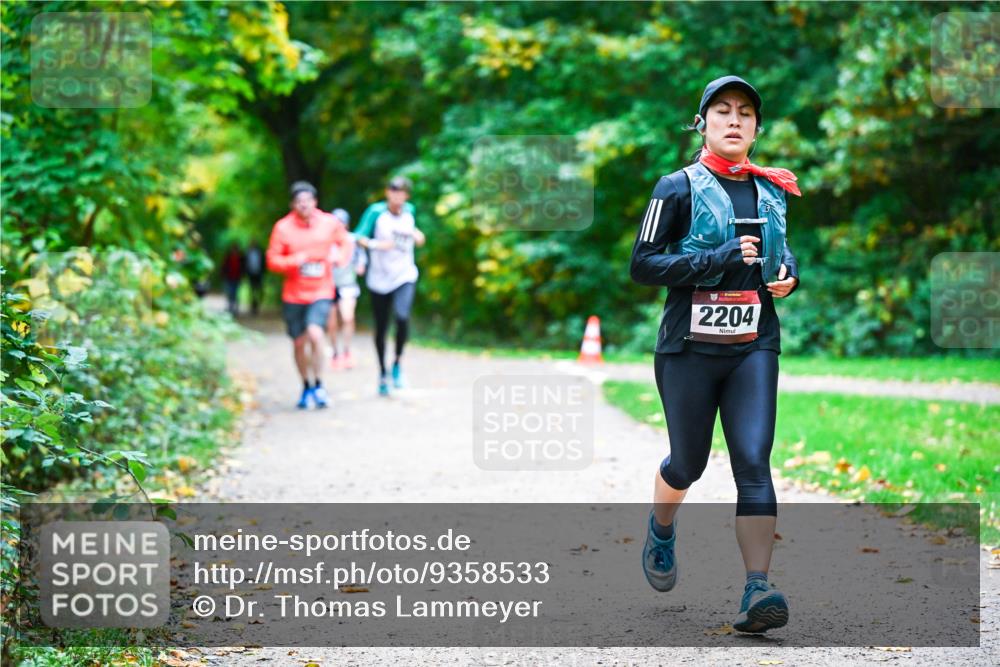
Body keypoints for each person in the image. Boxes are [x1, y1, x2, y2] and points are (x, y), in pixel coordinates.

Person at [629, 75, 802, 634]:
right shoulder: (674, 187)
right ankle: (661, 527)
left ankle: (758, 589)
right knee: (689, 464)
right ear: (703, 122)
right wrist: (716, 258)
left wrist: (787, 275)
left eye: (745, 113)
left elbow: (783, 253)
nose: (735, 120)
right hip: (688, 348)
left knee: (754, 461)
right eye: (723, 110)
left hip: (755, 343)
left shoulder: (770, 188)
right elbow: (643, 265)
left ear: (756, 127)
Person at [266, 181, 352, 409]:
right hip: (294, 295)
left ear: (315, 202)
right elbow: (272, 260)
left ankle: (319, 385)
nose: (304, 205)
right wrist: (294, 261)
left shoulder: (329, 223)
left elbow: (345, 242)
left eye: (308, 201)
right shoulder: (282, 228)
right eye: (299, 202)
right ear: (293, 204)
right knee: (298, 343)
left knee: (315, 334)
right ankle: (306, 385)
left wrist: (339, 258)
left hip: (321, 290)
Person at [355, 175, 424, 396]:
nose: (397, 196)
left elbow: (415, 237)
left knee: (402, 317)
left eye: (401, 192)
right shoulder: (376, 213)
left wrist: (418, 236)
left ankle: (397, 363)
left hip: (404, 275)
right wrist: (378, 245)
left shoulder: (410, 211)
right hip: (379, 279)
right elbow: (357, 237)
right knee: (381, 327)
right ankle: (382, 372)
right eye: (393, 191)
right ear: (387, 193)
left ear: (406, 195)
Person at [327, 208, 367, 369]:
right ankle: (335, 353)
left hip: (347, 284)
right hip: (328, 286)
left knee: (348, 317)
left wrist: (359, 267)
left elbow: (361, 264)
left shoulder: (353, 241)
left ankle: (347, 351)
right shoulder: (325, 241)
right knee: (331, 322)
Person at [221, 243, 243, 316]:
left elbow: (242, 268)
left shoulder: (240, 258)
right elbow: (224, 266)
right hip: (229, 277)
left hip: (236, 278)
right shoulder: (228, 257)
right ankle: (230, 307)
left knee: (235, 293)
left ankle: (235, 308)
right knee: (230, 292)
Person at [244, 240, 265, 316]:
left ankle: (257, 303)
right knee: (252, 290)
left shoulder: (259, 253)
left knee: (259, 290)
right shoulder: (248, 253)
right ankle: (253, 305)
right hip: (251, 274)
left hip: (259, 274)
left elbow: (263, 263)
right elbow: (245, 264)